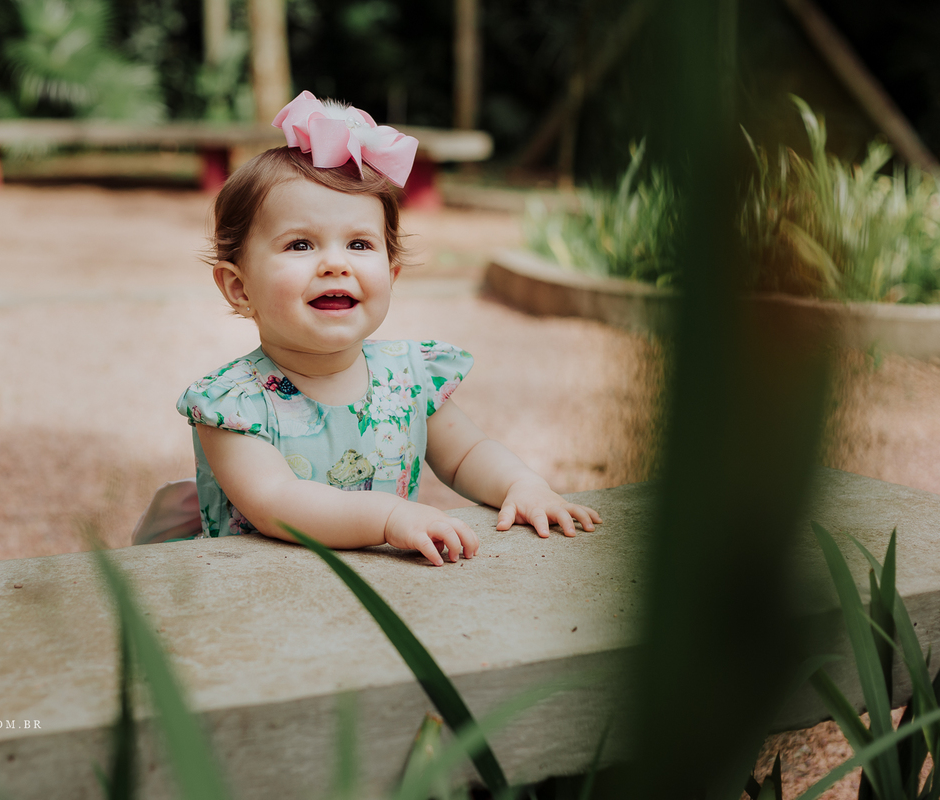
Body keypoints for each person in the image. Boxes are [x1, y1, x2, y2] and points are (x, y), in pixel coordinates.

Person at [132, 91, 601, 565]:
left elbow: (468, 455)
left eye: (359, 244)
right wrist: (388, 518)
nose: (336, 264)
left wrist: (521, 484)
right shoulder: (235, 405)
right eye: (299, 245)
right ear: (239, 288)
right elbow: (276, 503)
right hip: (257, 597)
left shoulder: (409, 377)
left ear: (392, 275)